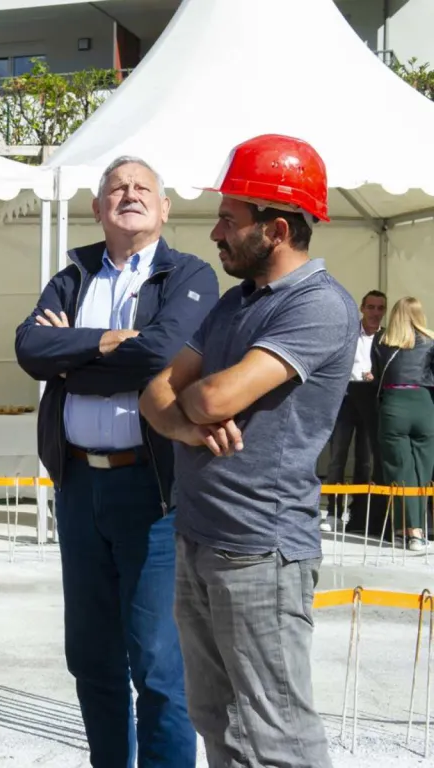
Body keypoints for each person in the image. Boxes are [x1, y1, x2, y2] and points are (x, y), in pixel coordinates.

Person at [139, 134, 357, 768]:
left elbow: (211, 397)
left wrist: (190, 407)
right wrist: (181, 426)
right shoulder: (235, 304)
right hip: (201, 535)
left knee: (276, 730)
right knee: (217, 719)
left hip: (262, 548)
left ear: (277, 228)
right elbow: (158, 393)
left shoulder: (320, 306)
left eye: (229, 221)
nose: (215, 234)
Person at [15, 155, 218, 768]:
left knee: (156, 661)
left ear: (163, 208)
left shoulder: (191, 273)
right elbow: (29, 348)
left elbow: (159, 350)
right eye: (115, 189)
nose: (129, 195)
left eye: (142, 188)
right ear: (99, 208)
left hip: (151, 489)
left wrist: (72, 358)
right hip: (79, 486)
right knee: (91, 657)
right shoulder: (73, 274)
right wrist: (104, 341)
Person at [370, 296, 434, 551]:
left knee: (398, 470)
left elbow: (375, 375)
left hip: (394, 404)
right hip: (424, 404)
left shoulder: (382, 341)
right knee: (422, 470)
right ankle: (418, 532)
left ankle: (401, 530)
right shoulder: (430, 340)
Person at [323, 289, 386, 533]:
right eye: (371, 307)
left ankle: (359, 514)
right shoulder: (348, 333)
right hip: (346, 395)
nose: (375, 313)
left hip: (371, 397)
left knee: (366, 460)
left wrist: (377, 377)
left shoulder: (387, 337)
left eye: (380, 308)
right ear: (362, 308)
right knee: (338, 455)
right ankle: (333, 511)